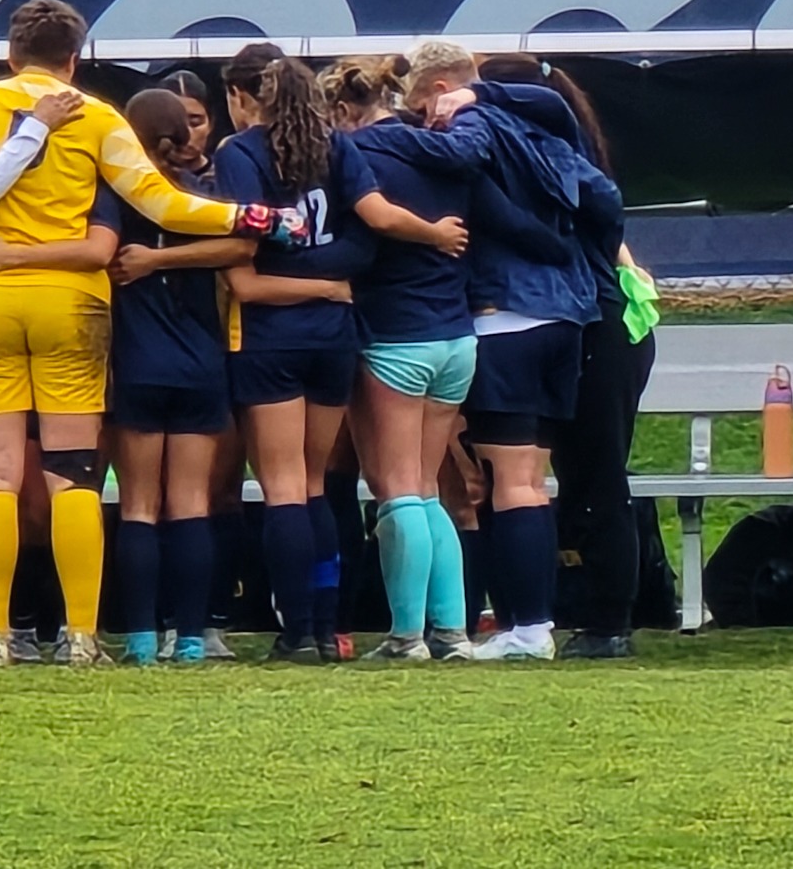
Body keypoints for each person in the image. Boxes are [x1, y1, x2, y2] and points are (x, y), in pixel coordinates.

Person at [0, 0, 308, 667]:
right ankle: (81, 635)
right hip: (71, 302)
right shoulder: (100, 116)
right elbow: (161, 202)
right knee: (72, 470)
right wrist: (252, 219)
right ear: (74, 58)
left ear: (11, 55)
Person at [211, 46, 466, 662]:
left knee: (281, 488)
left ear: (250, 98)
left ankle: (298, 630)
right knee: (317, 483)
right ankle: (328, 628)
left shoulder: (240, 153)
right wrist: (329, 278)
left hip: (271, 330)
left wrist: (291, 269)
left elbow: (245, 243)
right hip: (334, 331)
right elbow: (366, 232)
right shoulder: (338, 147)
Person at [404, 40, 622, 662]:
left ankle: (528, 627)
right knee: (527, 477)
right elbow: (605, 202)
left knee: (507, 480)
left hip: (505, 318)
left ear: (442, 87)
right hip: (566, 318)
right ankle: (526, 624)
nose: (426, 119)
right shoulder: (547, 132)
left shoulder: (472, 130)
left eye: (425, 104)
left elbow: (480, 195)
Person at [477, 53, 651, 660]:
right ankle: (560, 612)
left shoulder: (557, 162)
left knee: (597, 473)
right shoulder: (552, 160)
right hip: (592, 319)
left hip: (600, 321)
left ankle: (610, 623)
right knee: (570, 475)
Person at [320, 55, 479, 662]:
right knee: (430, 488)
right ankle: (454, 632)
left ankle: (406, 634)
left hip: (394, 336)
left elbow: (360, 237)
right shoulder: (439, 149)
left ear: (342, 110)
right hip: (456, 334)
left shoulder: (356, 158)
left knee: (395, 489)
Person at [106, 88, 258, 665]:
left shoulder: (116, 202)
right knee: (191, 503)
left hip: (138, 362)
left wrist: (151, 260)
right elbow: (242, 246)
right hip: (201, 362)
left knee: (141, 504)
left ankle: (142, 638)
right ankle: (191, 637)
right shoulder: (208, 199)